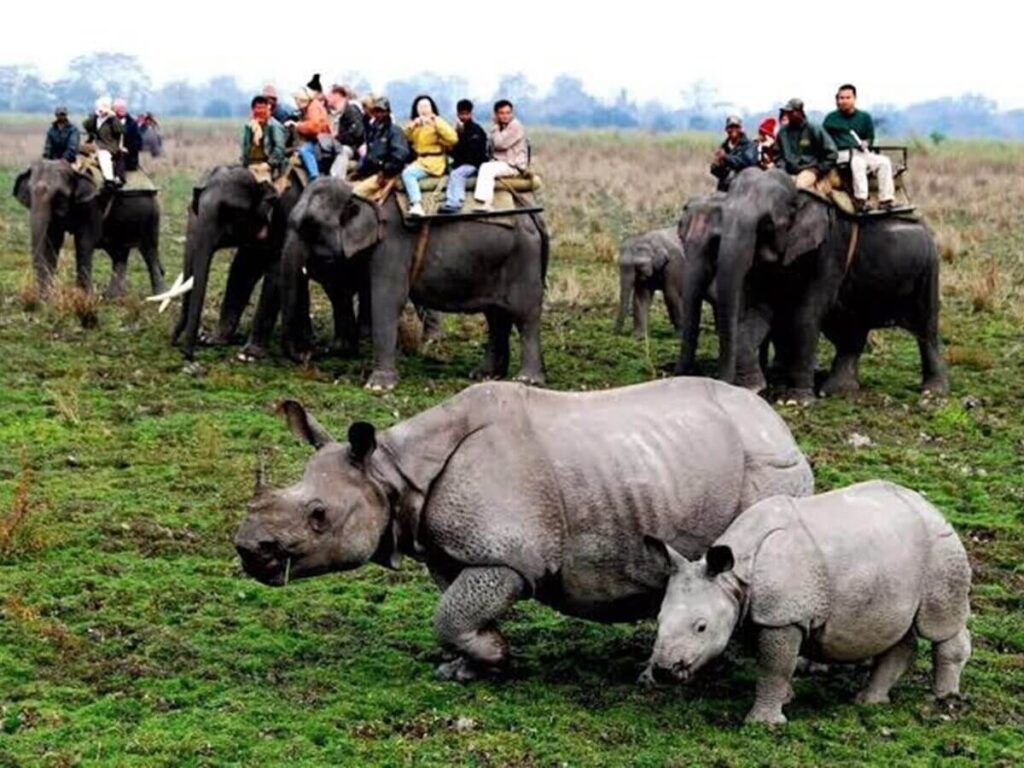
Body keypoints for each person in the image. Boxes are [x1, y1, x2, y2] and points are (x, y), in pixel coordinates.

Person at [823, 84, 895, 211]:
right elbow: (824, 140)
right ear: (837, 100)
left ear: (854, 99)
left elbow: (870, 138)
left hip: (861, 151)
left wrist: (866, 143)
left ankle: (886, 199)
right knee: (858, 162)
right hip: (842, 153)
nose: (843, 101)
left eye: (847, 98)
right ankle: (861, 199)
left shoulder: (864, 117)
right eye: (841, 98)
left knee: (884, 162)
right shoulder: (831, 119)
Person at [401, 95, 458, 217]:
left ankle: (417, 204)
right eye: (420, 106)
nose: (423, 109)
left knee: (408, 174)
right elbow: (404, 138)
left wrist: (436, 121)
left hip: (434, 161)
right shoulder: (417, 124)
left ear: (432, 108)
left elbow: (453, 138)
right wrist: (412, 126)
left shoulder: (438, 121)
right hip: (420, 160)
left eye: (426, 106)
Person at [473, 99, 529, 212]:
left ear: (512, 113)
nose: (505, 116)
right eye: (502, 113)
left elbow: (500, 144)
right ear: (496, 114)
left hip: (513, 164)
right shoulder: (501, 127)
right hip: (502, 162)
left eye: (508, 113)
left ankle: (487, 202)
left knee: (487, 169)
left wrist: (495, 127)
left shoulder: (515, 126)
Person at [775, 97, 837, 195]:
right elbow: (778, 155)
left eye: (792, 112)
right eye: (787, 112)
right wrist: (781, 168)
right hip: (788, 170)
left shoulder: (814, 129)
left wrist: (819, 169)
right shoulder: (782, 133)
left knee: (800, 187)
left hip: (809, 169)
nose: (788, 115)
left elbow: (831, 152)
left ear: (800, 112)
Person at [352, 97, 411, 199]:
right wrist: (360, 171)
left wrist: (385, 170)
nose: (378, 114)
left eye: (381, 111)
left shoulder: (394, 131)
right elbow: (370, 155)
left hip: (385, 175)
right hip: (371, 171)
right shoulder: (373, 131)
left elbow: (400, 155)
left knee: (356, 194)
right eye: (376, 111)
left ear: (387, 112)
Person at [439, 99, 489, 214]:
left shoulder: (476, 130)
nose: (464, 117)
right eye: (461, 114)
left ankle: (455, 202)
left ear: (471, 114)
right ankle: (450, 197)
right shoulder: (457, 130)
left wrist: (460, 139)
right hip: (462, 162)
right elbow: (457, 151)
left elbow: (472, 153)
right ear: (458, 114)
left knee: (457, 174)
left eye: (466, 114)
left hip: (474, 163)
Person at [288, 87, 331, 180]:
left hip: (322, 141)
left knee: (305, 150)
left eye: (297, 100)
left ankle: (314, 176)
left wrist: (298, 125)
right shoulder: (311, 107)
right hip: (321, 139)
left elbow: (314, 127)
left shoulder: (313, 108)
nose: (296, 103)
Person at [241, 95, 287, 181]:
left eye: (262, 108)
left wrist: (269, 164)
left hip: (265, 166)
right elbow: (245, 147)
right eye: (257, 108)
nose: (260, 111)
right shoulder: (249, 126)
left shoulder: (274, 126)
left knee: (264, 190)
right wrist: (244, 164)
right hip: (250, 166)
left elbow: (279, 148)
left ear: (267, 109)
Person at [325, 85, 365, 179]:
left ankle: (336, 180)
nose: (327, 98)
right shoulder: (337, 113)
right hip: (339, 143)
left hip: (353, 147)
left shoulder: (351, 110)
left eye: (330, 95)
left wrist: (338, 138)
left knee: (342, 151)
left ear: (337, 95)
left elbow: (357, 132)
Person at [82, 96, 123, 185]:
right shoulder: (96, 119)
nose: (101, 110)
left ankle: (109, 180)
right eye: (100, 107)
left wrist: (113, 117)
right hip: (95, 145)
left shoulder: (112, 120)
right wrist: (95, 115)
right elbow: (86, 125)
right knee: (78, 151)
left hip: (108, 146)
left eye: (103, 107)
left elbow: (119, 130)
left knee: (104, 156)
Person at [710, 115, 757, 191]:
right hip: (724, 190)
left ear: (740, 129)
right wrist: (718, 165)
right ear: (726, 129)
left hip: (743, 189)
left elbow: (748, 162)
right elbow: (715, 171)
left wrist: (726, 158)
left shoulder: (749, 145)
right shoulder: (723, 146)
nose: (733, 130)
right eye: (730, 127)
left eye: (736, 127)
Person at [113, 98, 143, 172]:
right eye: (119, 108)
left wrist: (127, 149)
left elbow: (139, 143)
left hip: (128, 160)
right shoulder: (109, 122)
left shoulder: (133, 124)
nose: (122, 110)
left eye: (123, 108)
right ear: (114, 109)